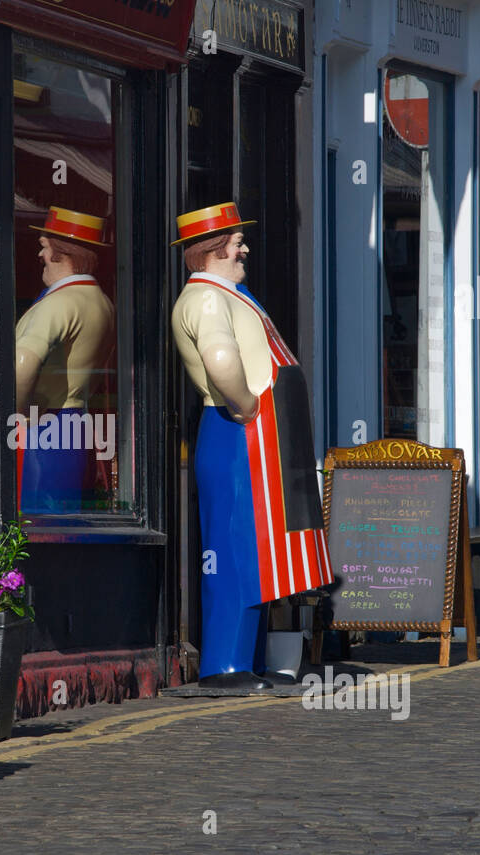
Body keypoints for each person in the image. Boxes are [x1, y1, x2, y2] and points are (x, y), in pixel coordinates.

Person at [170, 202, 333, 690]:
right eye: (236, 240)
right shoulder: (205, 299)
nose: (244, 248)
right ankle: (224, 664)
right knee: (237, 550)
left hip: (257, 443)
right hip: (237, 437)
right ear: (212, 248)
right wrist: (244, 405)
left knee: (258, 553)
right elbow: (220, 358)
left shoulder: (230, 293)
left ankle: (252, 659)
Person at [14, 206, 115, 513]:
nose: (40, 256)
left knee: (31, 535)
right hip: (75, 427)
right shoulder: (101, 302)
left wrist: (21, 414)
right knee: (66, 532)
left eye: (45, 247)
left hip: (42, 431)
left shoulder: (58, 304)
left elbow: (22, 361)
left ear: (63, 252)